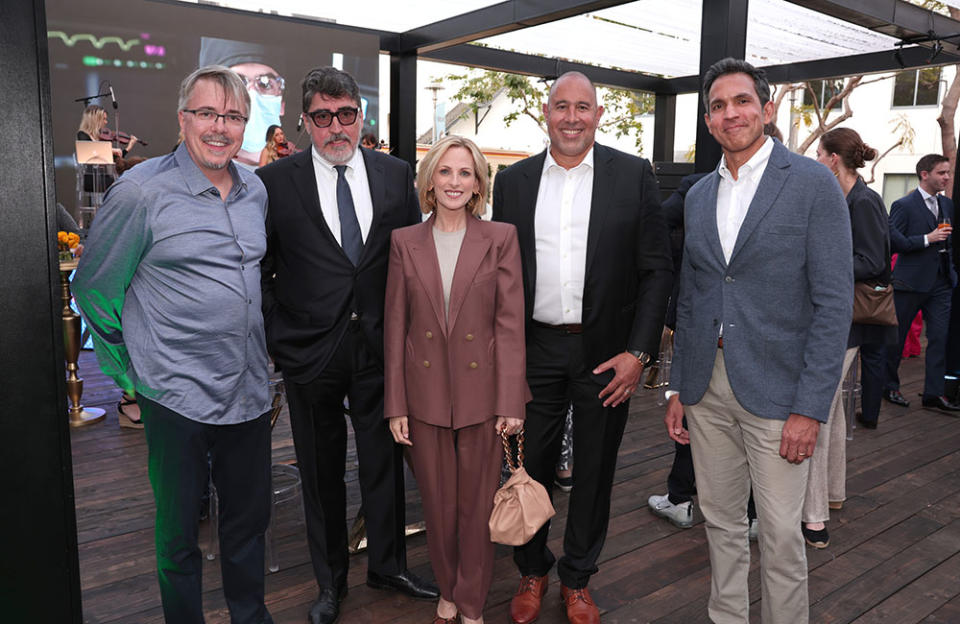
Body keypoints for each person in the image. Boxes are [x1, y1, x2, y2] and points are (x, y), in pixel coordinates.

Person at [73, 65, 274, 624]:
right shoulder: (140, 193)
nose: (220, 127)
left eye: (233, 116)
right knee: (179, 538)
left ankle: (250, 616)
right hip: (175, 399)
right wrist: (132, 376)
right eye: (208, 113)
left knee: (246, 527)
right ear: (182, 118)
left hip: (249, 393)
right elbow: (92, 290)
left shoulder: (255, 189)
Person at [665, 57, 852, 624]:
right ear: (708, 120)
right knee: (720, 525)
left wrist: (810, 408)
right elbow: (695, 297)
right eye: (718, 106)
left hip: (780, 393)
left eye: (742, 101)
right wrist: (677, 386)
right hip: (706, 388)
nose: (731, 114)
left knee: (778, 536)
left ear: (767, 110)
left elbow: (833, 304)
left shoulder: (813, 184)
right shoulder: (699, 195)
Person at [256, 66, 436, 624]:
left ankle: (388, 565)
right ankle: (331, 582)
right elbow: (260, 270)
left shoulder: (394, 173)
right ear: (304, 121)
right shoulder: (274, 183)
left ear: (362, 116)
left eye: (347, 115)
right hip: (311, 354)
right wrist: (279, 338)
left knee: (384, 463)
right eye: (323, 117)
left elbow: (411, 262)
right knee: (321, 472)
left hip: (381, 350)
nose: (337, 127)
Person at [493, 71, 673, 624]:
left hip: (605, 354)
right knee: (530, 464)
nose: (572, 117)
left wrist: (639, 354)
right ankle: (532, 568)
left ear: (599, 114)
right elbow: (501, 274)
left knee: (594, 470)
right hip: (535, 348)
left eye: (583, 107)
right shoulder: (515, 181)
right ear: (545, 113)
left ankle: (577, 578)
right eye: (561, 106)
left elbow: (656, 270)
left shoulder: (634, 176)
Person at [384, 135, 528, 624]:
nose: (454, 182)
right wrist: (395, 404)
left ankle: (470, 602)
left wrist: (511, 400)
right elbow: (396, 327)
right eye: (445, 172)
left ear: (478, 183)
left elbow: (510, 325)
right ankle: (448, 587)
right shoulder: (405, 241)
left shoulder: (500, 237)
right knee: (439, 508)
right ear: (430, 180)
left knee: (476, 510)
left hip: (482, 397)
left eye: (465, 173)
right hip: (423, 399)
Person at [801, 128, 897, 549]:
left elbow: (875, 261)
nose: (816, 161)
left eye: (819, 154)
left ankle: (813, 517)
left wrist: (818, 264)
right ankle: (833, 495)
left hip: (850, 321)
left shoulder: (864, 201)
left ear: (833, 159)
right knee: (834, 411)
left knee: (816, 411)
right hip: (838, 317)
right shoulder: (843, 198)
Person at [883, 154, 959, 412]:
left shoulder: (948, 205)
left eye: (948, 173)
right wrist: (928, 238)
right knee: (897, 337)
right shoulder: (903, 205)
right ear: (924, 174)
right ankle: (889, 387)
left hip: (941, 283)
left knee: (939, 338)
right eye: (942, 173)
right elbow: (895, 242)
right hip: (909, 282)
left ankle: (934, 394)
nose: (946, 178)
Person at [199, 37, 286, 168]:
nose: (251, 96)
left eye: (265, 83)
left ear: (281, 105)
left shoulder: (299, 176)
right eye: (236, 84)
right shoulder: (180, 178)